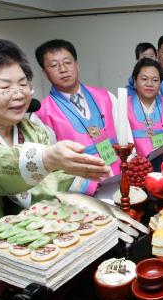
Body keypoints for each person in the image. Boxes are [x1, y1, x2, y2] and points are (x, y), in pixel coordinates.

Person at [0, 39, 108, 300]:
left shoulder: (34, 130)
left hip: (41, 251)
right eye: (4, 87)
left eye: (23, 84)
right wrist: (44, 161)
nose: (18, 94)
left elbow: (54, 180)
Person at [33, 39, 131, 195]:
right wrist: (86, 187)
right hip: (81, 193)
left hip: (121, 180)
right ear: (45, 73)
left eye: (67, 62)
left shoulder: (105, 96)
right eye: (54, 65)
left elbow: (126, 135)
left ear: (76, 65)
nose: (63, 69)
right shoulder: (42, 115)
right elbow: (48, 166)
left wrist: (131, 168)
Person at [128, 58, 163, 169]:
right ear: (134, 81)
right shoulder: (124, 106)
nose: (149, 84)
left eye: (155, 80)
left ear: (160, 83)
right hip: (134, 169)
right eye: (144, 79)